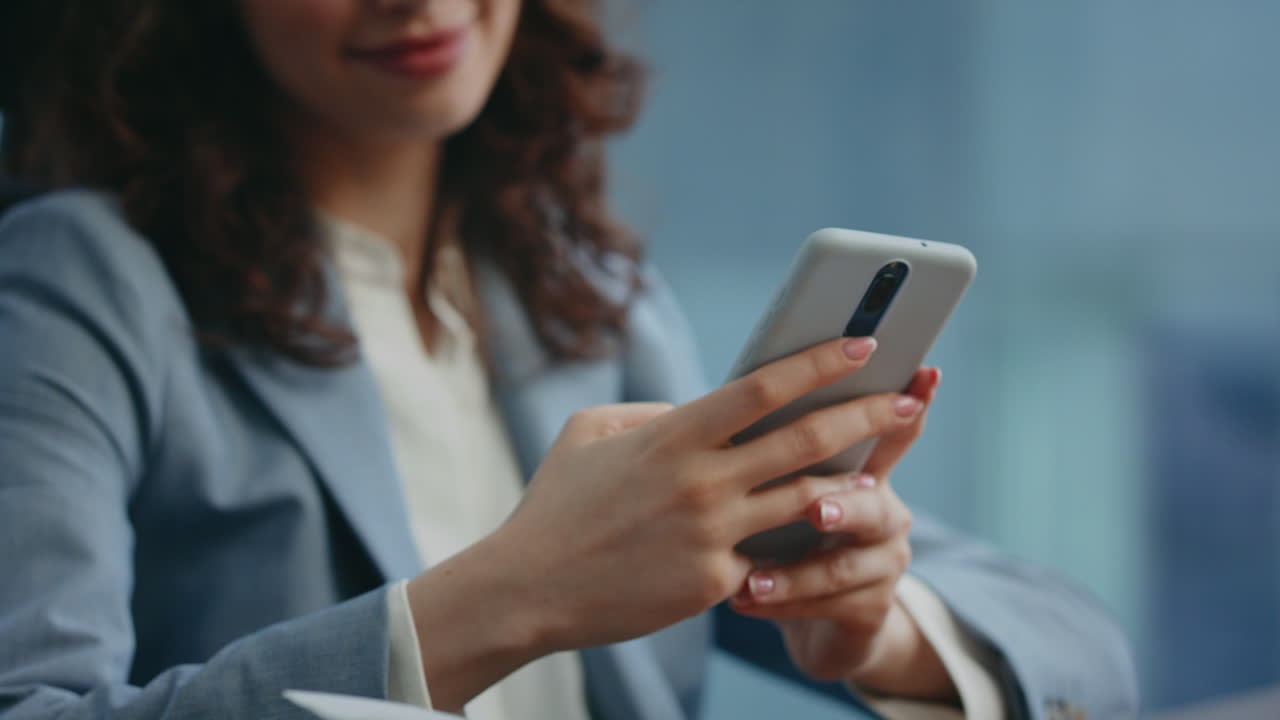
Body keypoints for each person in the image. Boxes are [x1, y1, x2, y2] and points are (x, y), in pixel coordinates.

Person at [0, 1, 1138, 718]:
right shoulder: (78, 279)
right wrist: (507, 599)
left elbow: (1071, 641)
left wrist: (869, 625)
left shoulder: (584, 291)